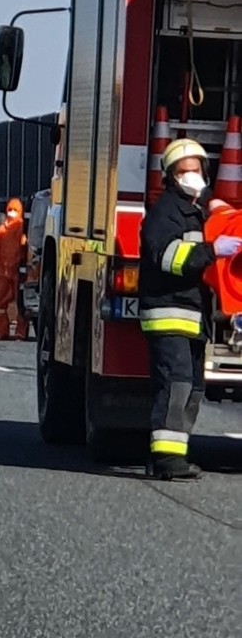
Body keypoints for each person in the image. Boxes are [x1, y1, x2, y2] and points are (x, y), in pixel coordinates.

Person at [139, 138, 242, 481]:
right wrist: (213, 250)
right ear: (171, 176)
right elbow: (167, 258)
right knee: (177, 384)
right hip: (168, 313)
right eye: (183, 171)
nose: (190, 176)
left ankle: (174, 457)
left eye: (195, 170)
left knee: (193, 386)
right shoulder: (164, 213)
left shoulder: (194, 211)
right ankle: (166, 459)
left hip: (192, 315)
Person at [0, 198, 29, 341]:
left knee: (20, 303)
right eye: (10, 210)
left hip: (18, 271)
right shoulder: (1, 230)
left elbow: (27, 248)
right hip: (3, 271)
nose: (12, 213)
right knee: (1, 303)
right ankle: (1, 330)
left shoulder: (23, 229)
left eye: (15, 210)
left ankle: (21, 331)